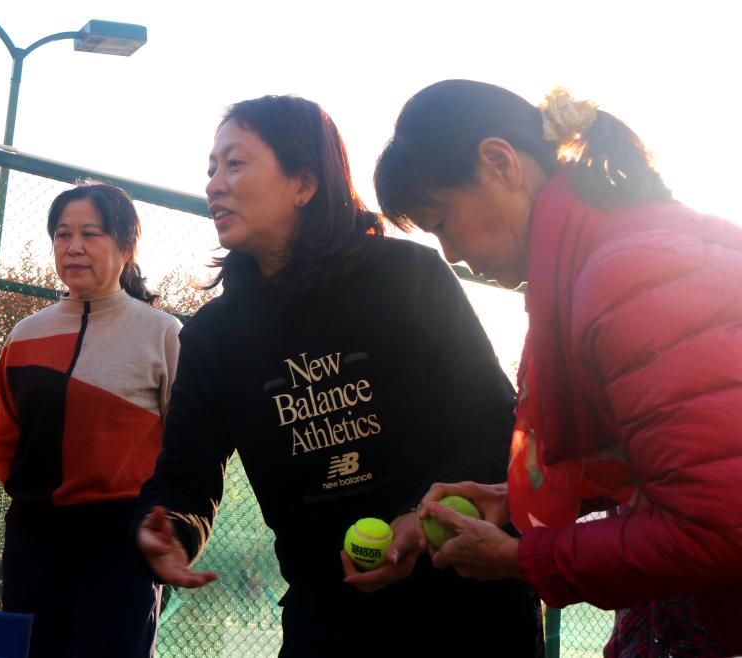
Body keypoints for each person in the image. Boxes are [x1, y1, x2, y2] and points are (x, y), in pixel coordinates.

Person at [134, 95, 542, 657]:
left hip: (468, 604)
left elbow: (495, 425)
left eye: (235, 163)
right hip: (327, 613)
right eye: (211, 169)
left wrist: (416, 521)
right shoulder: (213, 336)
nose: (214, 185)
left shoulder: (410, 276)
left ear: (304, 183)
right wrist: (172, 529)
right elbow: (185, 472)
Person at [374, 79, 742, 656]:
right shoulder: (621, 247)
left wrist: (523, 559)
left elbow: (718, 527)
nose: (450, 253)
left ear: (499, 162)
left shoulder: (630, 276)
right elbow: (684, 462)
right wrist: (511, 498)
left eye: (441, 221)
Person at [0, 182, 180, 658]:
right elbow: (3, 442)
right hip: (34, 537)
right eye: (62, 234)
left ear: (126, 247)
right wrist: (40, 502)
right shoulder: (24, 335)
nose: (73, 246)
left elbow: (185, 446)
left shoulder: (163, 334)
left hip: (122, 542)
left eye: (90, 233)